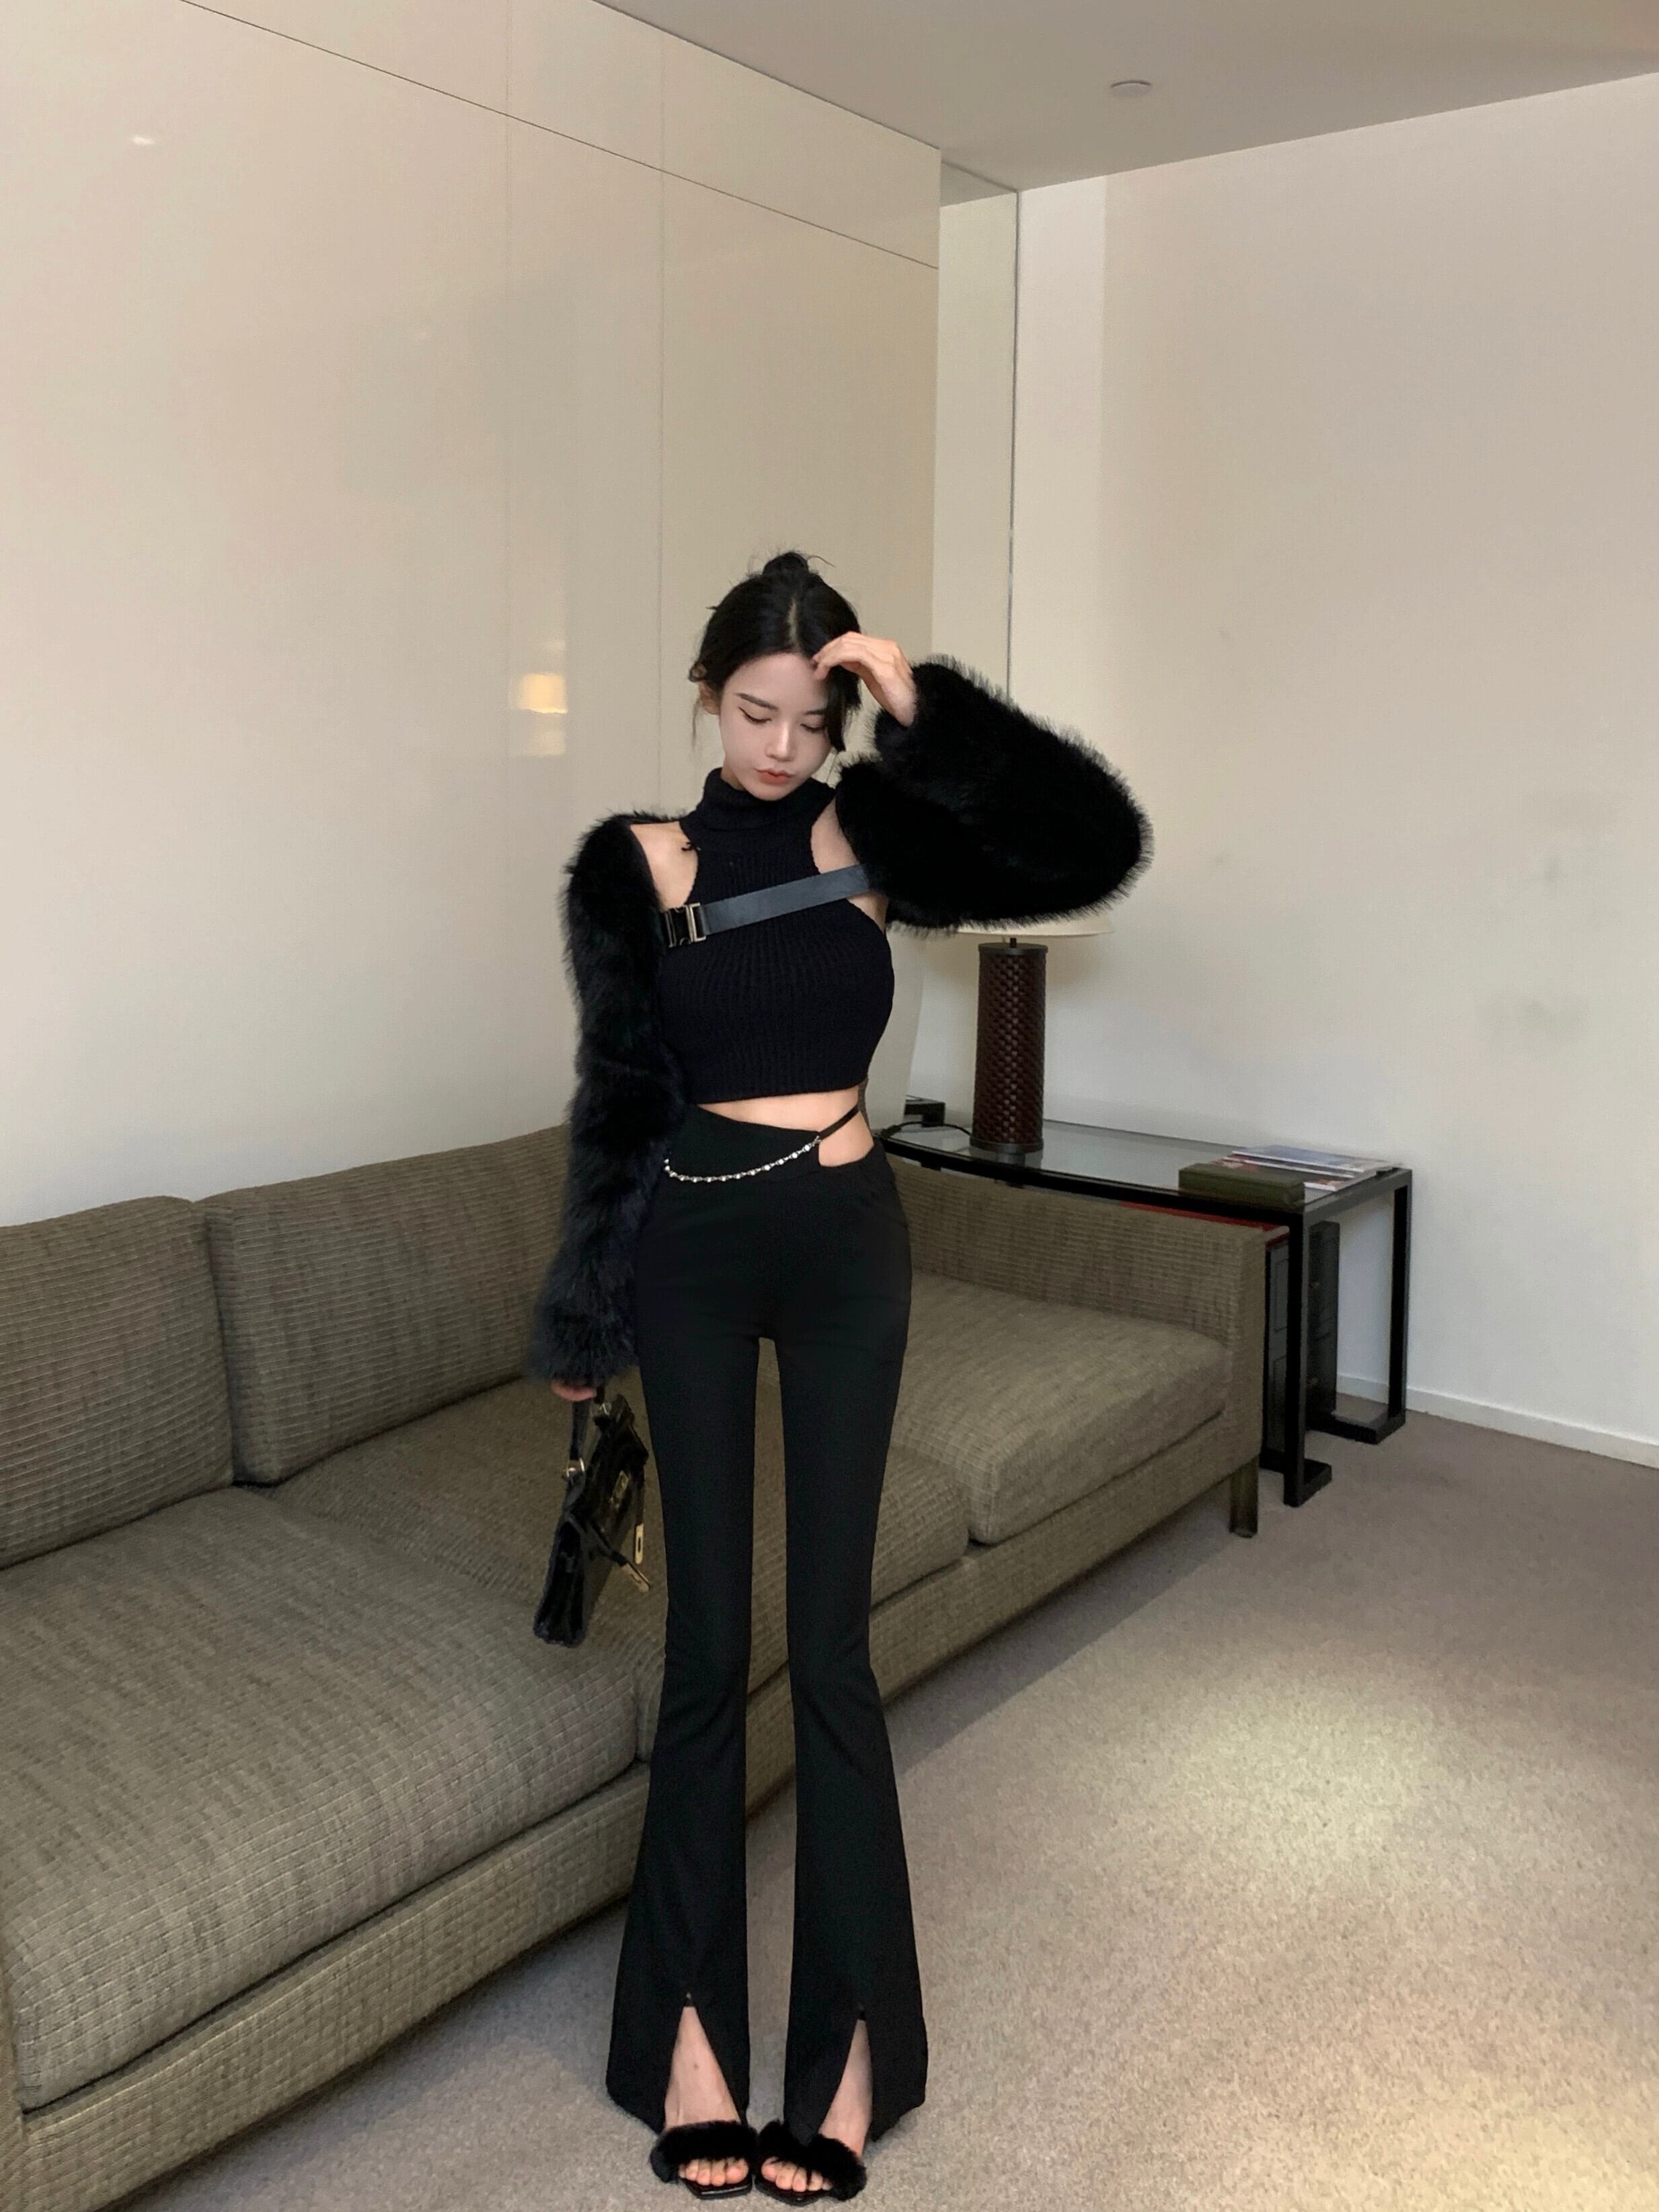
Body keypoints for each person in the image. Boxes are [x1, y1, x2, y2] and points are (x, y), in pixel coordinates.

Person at [525, 550, 1150, 2201]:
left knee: (832, 1653)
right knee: (706, 1653)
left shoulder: (875, 838)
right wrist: (583, 1321)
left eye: (814, 719)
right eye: (756, 712)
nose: (783, 747)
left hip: (847, 1244)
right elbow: (614, 1097)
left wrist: (924, 706)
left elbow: (1093, 844)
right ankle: (686, 2037)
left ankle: (855, 2046)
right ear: (705, 694)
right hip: (690, 1246)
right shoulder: (634, 863)